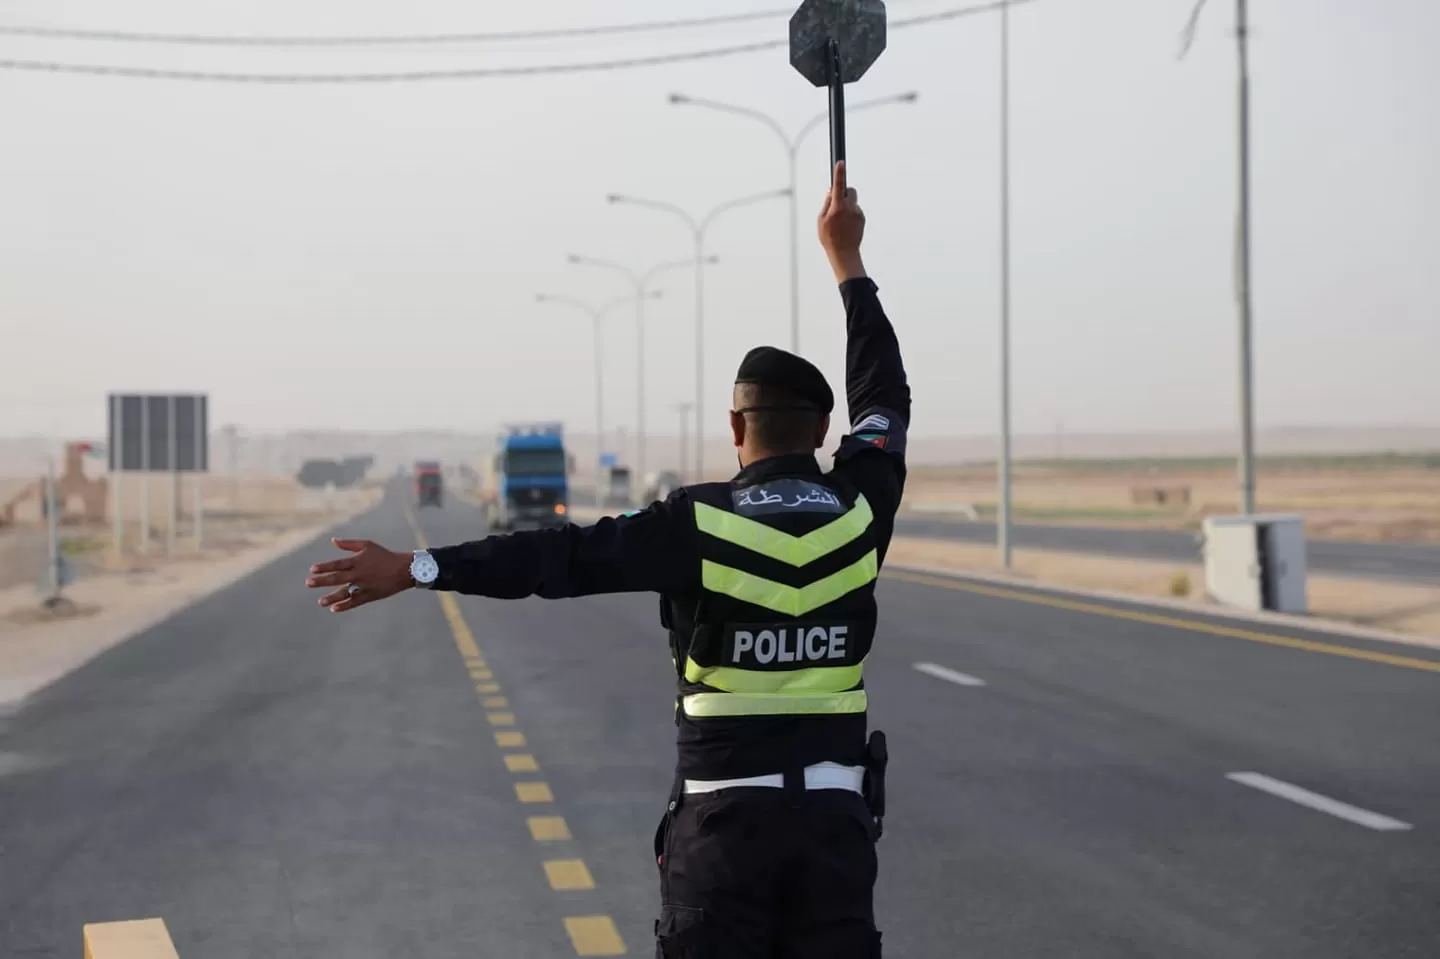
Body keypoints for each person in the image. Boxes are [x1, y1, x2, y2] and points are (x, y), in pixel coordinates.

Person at [305, 159, 909, 958]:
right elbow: (885, 396)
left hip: (724, 837)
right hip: (835, 835)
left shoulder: (697, 521)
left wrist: (418, 567)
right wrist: (848, 263)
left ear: (736, 427)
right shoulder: (862, 506)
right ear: (824, 431)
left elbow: (555, 558)